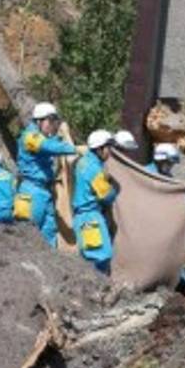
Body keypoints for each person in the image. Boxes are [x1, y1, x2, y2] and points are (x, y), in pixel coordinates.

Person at [15, 102, 77, 246]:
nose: (52, 125)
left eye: (54, 121)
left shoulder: (42, 137)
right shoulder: (30, 137)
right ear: (39, 120)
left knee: (49, 232)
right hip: (31, 192)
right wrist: (72, 148)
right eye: (49, 120)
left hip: (44, 191)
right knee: (28, 235)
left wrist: (61, 136)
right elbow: (48, 146)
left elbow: (50, 142)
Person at [72, 129, 119, 273]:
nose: (110, 152)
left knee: (92, 257)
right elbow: (107, 196)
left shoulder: (84, 160)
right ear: (99, 149)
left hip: (83, 217)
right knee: (101, 257)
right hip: (90, 217)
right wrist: (114, 187)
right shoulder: (94, 169)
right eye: (108, 147)